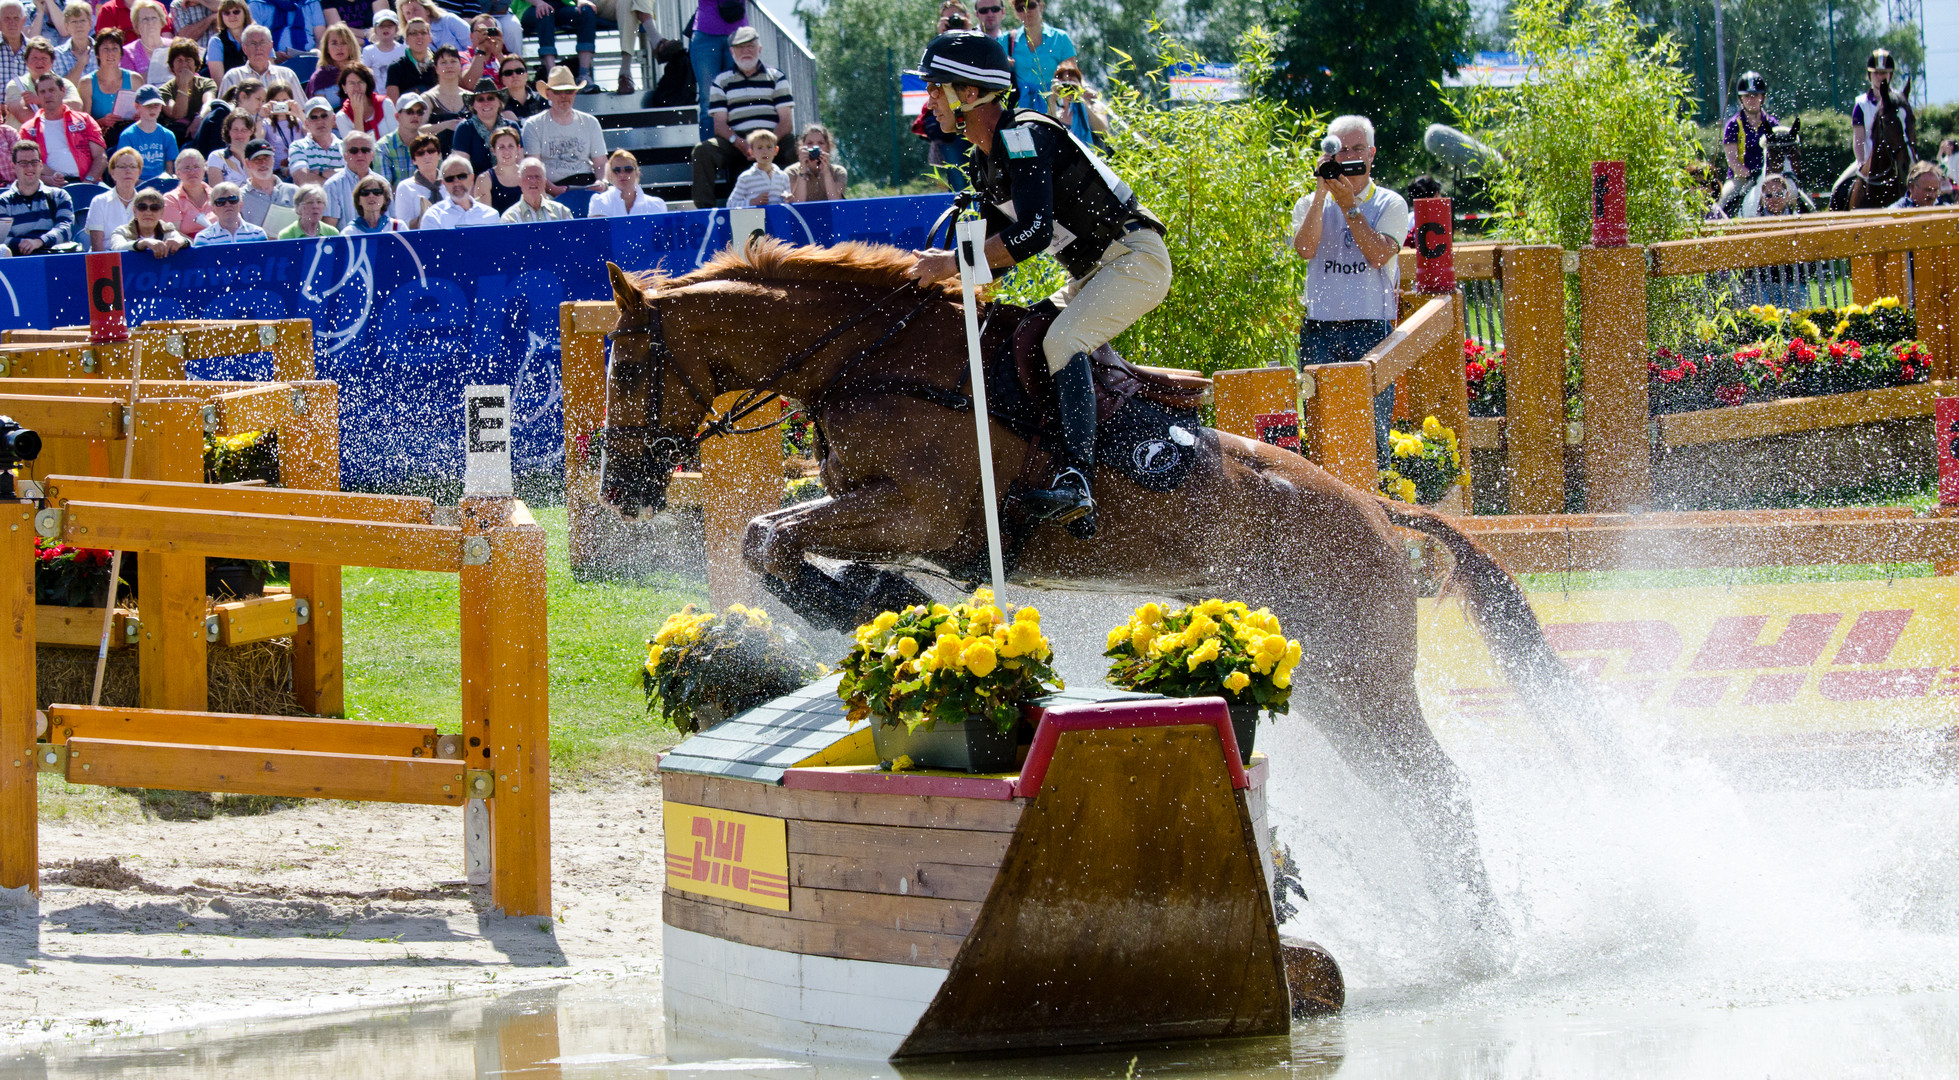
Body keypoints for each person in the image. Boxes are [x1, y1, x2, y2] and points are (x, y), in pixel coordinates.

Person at [905, 31, 1167, 533]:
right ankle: (1048, 460)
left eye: (938, 88)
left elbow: (1031, 234)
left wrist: (951, 264)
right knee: (1020, 335)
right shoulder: (987, 160)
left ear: (969, 92)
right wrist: (935, 280)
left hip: (1134, 258)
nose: (930, 100)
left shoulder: (1022, 133)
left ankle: (1079, 480)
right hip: (1097, 271)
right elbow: (996, 259)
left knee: (1063, 340)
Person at [1291, 114, 1409, 457]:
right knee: (1322, 430)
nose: (1350, 158)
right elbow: (1304, 249)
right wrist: (1320, 193)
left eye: (1358, 149)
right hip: (1319, 331)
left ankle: (1377, 503)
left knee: (1372, 432)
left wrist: (1348, 207)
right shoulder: (1309, 203)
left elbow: (1377, 254)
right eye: (1340, 151)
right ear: (1329, 157)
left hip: (1371, 329)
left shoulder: (1390, 203)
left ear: (1371, 154)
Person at [688, 26, 789, 208]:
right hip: (736, 141)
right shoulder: (721, 81)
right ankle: (706, 213)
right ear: (732, 52)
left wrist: (767, 144)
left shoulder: (777, 77)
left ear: (759, 49)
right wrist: (740, 143)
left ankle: (803, 203)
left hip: (771, 138)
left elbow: (786, 121)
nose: (746, 51)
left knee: (797, 147)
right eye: (741, 47)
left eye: (750, 46)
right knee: (703, 151)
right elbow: (719, 124)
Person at [520, 64, 604, 192]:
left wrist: (602, 182)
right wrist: (553, 189)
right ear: (548, 94)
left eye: (569, 91)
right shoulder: (533, 125)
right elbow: (534, 168)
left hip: (587, 185)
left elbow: (601, 163)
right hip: (550, 189)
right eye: (558, 92)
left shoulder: (590, 122)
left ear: (575, 93)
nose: (564, 96)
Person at [22, 72, 107, 184]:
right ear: (38, 96)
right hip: (50, 185)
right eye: (42, 92)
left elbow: (100, 156)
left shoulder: (84, 120)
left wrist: (89, 181)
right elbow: (29, 165)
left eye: (52, 90)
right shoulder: (28, 129)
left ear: (63, 91)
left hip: (88, 181)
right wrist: (50, 180)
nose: (47, 95)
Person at [0, 141, 79, 255]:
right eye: (23, 163)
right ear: (13, 166)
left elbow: (65, 229)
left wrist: (39, 241)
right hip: (18, 263)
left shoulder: (59, 196)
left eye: (34, 162)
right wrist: (23, 243)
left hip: (53, 260)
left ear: (41, 165)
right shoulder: (3, 202)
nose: (30, 167)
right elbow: (2, 239)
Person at [1852, 48, 1916, 184]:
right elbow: (1859, 139)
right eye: (1876, 73)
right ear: (1870, 75)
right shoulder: (1861, 104)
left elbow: (1909, 132)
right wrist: (1860, 161)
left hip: (1900, 159)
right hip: (1869, 162)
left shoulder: (1900, 101)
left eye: (1884, 73)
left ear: (1890, 75)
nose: (1880, 77)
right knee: (1837, 188)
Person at [688, 0, 745, 141]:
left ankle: (740, 154)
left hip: (739, 35)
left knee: (739, 99)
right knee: (709, 101)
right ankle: (710, 157)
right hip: (706, 32)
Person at [1718, 71, 1774, 212]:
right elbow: (1732, 160)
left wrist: (1766, 175)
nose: (1751, 99)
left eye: (1755, 95)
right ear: (1740, 99)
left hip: (1770, 178)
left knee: (1800, 200)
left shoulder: (1773, 123)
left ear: (1762, 97)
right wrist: (1749, 173)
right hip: (1741, 179)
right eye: (1747, 96)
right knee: (1723, 202)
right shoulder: (1733, 125)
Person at [1004, 0, 1070, 111]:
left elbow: (1073, 74)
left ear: (1041, 6)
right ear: (1015, 12)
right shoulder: (1006, 40)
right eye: (1020, 8)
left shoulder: (1060, 38)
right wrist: (1002, 63)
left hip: (1053, 108)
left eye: (1031, 5)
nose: (1026, 11)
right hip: (1018, 109)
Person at [80, 30, 143, 141]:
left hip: (131, 137)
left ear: (121, 53)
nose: (110, 53)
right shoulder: (86, 83)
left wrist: (139, 117)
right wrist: (102, 122)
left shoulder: (135, 79)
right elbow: (83, 124)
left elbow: (145, 113)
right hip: (101, 139)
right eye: (105, 49)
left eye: (114, 48)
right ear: (97, 54)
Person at [519, 0, 597, 88]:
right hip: (531, 7)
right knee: (545, 12)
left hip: (561, 7)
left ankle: (584, 76)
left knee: (586, 11)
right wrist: (538, 3)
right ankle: (553, 78)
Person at [7, 37, 78, 127]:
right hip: (25, 139)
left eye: (44, 58)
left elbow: (77, 106)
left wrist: (39, 100)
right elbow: (24, 116)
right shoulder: (16, 85)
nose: (39, 62)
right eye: (34, 58)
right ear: (26, 62)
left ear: (52, 62)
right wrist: (57, 110)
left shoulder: (64, 83)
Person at [217, 25, 301, 97]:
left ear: (271, 46)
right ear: (244, 48)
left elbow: (302, 110)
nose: (258, 47)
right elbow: (225, 113)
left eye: (262, 42)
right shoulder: (232, 77)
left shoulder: (287, 75)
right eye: (253, 43)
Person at [157, 38, 216, 140]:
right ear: (172, 66)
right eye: (179, 61)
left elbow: (209, 103)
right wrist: (184, 84)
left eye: (188, 60)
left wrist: (199, 118)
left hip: (201, 131)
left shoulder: (207, 83)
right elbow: (177, 115)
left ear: (195, 64)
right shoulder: (164, 90)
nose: (184, 65)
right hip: (177, 136)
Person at [416, 151, 496, 226]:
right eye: (450, 178)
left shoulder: (491, 216)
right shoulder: (433, 217)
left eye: (462, 176)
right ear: (443, 183)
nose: (456, 182)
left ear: (472, 177)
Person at [87, 145, 145, 247]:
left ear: (139, 172)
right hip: (108, 259)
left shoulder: (147, 203)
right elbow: (97, 247)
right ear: (112, 172)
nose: (128, 170)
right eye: (122, 166)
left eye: (132, 166)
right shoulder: (99, 202)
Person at [449, 75, 508, 173]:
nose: (486, 103)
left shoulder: (511, 127)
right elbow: (461, 170)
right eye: (480, 99)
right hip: (475, 185)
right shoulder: (464, 129)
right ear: (473, 105)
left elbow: (519, 164)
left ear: (499, 102)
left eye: (490, 98)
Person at [319, 125, 373, 222]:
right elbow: (331, 230)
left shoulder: (383, 183)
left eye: (365, 150)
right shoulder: (332, 186)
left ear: (372, 155)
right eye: (354, 151)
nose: (360, 154)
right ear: (345, 156)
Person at [109, 186, 186, 254]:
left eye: (154, 208)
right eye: (142, 207)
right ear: (134, 211)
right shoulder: (121, 231)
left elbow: (183, 240)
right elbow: (117, 248)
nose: (148, 212)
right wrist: (143, 243)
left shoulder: (167, 229)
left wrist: (180, 242)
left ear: (162, 212)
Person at [589, 147, 665, 215]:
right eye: (617, 170)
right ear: (611, 174)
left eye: (628, 169)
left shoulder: (656, 205)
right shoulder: (599, 201)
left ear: (637, 173)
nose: (622, 174)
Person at [236, 137, 295, 224]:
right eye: (257, 159)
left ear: (273, 160)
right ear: (247, 163)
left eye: (266, 158)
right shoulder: (239, 198)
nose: (263, 163)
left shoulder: (293, 192)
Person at [1044, 57, 1102, 145]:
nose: (1068, 87)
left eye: (1072, 81)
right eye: (1064, 83)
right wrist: (1053, 97)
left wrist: (1081, 99)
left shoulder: (1094, 107)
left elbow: (1101, 129)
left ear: (1080, 84)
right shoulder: (1058, 116)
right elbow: (1050, 131)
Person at [783, 122, 845, 202]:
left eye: (820, 143)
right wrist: (803, 171)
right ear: (802, 147)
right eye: (810, 143)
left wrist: (826, 173)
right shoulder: (791, 172)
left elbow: (836, 203)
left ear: (828, 147)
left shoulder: (838, 172)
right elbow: (797, 203)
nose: (815, 148)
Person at [286, 94, 342, 182]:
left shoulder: (346, 147)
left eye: (324, 116)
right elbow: (302, 179)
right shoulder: (298, 147)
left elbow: (356, 177)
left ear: (333, 118)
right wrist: (340, 176)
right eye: (314, 117)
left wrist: (320, 172)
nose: (320, 121)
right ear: (306, 123)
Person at [390, 128, 441, 223]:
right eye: (420, 153)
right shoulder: (405, 187)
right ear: (414, 160)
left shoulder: (450, 182)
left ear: (439, 155)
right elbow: (403, 225)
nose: (426, 156)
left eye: (431, 151)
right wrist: (423, 218)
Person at [500, 155, 570, 222]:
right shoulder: (510, 218)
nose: (533, 180)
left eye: (537, 176)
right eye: (528, 177)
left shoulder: (561, 212)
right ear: (519, 181)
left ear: (545, 181)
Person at [373, 89, 425, 180]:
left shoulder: (430, 145)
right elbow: (385, 188)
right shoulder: (382, 148)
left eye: (419, 112)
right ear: (397, 116)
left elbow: (437, 182)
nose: (415, 116)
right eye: (410, 112)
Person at [725, 125, 785, 205]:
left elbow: (788, 201)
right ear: (751, 152)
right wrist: (751, 202)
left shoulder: (783, 176)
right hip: (756, 217)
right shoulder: (745, 177)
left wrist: (789, 199)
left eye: (769, 147)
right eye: (760, 148)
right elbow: (730, 204)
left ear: (776, 150)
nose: (764, 151)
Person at [191, 179, 267, 241]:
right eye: (221, 202)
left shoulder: (257, 234)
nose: (227, 204)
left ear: (240, 204)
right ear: (213, 209)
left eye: (232, 199)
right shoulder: (204, 238)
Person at [249, 0, 325, 60]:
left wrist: (311, 56)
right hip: (270, 63)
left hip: (307, 62)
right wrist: (272, 55)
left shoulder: (311, 3)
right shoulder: (257, 4)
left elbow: (320, 39)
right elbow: (253, 39)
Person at [160, 145, 212, 233]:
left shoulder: (218, 195)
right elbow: (174, 234)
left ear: (204, 170)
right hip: (188, 245)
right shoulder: (171, 199)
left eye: (196, 167)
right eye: (187, 168)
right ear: (178, 173)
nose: (192, 172)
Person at [420, 42, 468, 136]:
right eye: (443, 62)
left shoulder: (470, 97)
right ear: (436, 68)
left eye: (453, 61)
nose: (449, 66)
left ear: (460, 65)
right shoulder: (428, 98)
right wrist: (444, 126)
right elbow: (418, 130)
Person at [125, 0, 176, 84]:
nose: (150, 23)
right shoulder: (127, 52)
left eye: (154, 18)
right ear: (137, 25)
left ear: (162, 22)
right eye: (145, 19)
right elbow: (128, 85)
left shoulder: (174, 47)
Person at [334, 61, 392, 136]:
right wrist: (357, 113)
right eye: (351, 83)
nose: (357, 88)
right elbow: (357, 145)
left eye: (360, 82)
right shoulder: (342, 117)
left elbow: (396, 138)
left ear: (367, 85)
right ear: (344, 87)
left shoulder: (385, 104)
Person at [385, 18, 438, 98]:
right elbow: (393, 105)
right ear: (406, 40)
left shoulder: (439, 64)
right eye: (413, 33)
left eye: (423, 33)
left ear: (430, 38)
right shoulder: (396, 67)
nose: (419, 36)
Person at [306, 22, 358, 104]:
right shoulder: (320, 77)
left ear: (351, 46)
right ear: (327, 49)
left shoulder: (361, 73)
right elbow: (319, 113)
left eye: (343, 43)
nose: (339, 48)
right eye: (334, 43)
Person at [472, 123, 519, 210]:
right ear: (493, 150)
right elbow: (485, 218)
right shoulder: (484, 180)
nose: (506, 151)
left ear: (518, 148)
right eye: (501, 147)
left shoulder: (529, 175)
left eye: (511, 146)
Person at [204, 104, 257, 180]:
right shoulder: (216, 157)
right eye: (235, 129)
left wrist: (243, 155)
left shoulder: (258, 157)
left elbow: (259, 187)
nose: (239, 134)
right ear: (229, 131)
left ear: (251, 132)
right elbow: (217, 190)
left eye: (244, 130)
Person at [203, 0, 252, 79]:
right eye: (226, 13)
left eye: (236, 12)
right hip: (228, 89)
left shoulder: (258, 37)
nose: (231, 16)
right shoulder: (216, 42)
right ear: (221, 17)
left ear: (245, 13)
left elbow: (270, 71)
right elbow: (219, 83)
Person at [398, 0, 468, 53]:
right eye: (408, 13)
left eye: (415, 10)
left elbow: (473, 47)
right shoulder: (408, 40)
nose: (412, 15)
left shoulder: (449, 21)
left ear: (427, 10)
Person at [50, 1, 95, 80]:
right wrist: (80, 64)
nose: (79, 25)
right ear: (66, 26)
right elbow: (62, 88)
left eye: (82, 21)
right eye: (74, 22)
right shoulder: (57, 54)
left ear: (90, 24)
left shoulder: (101, 50)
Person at [0, 1, 36, 89]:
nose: (11, 22)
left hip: (28, 102)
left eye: (16, 18)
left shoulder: (35, 50)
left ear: (23, 20)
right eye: (7, 18)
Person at [495, 55, 541, 120]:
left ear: (527, 75)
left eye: (519, 71)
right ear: (501, 79)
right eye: (508, 73)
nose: (514, 75)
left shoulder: (541, 99)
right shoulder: (497, 103)